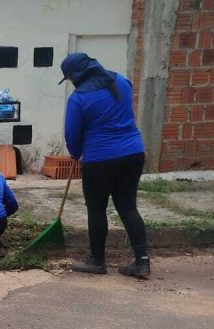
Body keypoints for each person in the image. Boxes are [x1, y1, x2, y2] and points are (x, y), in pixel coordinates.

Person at [60, 52, 150, 279]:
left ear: (77, 75)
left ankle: (97, 261)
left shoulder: (78, 98)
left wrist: (75, 153)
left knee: (97, 208)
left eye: (70, 78)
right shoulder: (121, 80)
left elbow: (72, 133)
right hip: (133, 153)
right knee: (128, 206)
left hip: (100, 159)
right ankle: (142, 262)